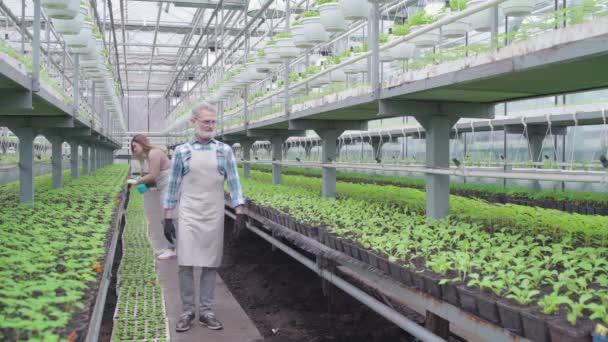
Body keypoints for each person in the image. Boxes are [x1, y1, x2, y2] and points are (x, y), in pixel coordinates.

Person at [162, 103, 247, 332]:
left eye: (213, 121)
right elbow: (172, 185)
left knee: (210, 263)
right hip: (188, 211)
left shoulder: (224, 150)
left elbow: (234, 181)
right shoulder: (182, 151)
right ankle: (188, 310)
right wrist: (167, 216)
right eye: (205, 121)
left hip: (213, 212)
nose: (210, 125)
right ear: (194, 122)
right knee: (186, 263)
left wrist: (240, 211)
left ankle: (207, 311)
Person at [128, 134, 176, 260]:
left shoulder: (153, 154)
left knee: (168, 217)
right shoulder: (151, 155)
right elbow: (155, 177)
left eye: (134, 146)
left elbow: (153, 175)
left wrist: (138, 181)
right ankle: (173, 247)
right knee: (167, 216)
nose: (134, 150)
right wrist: (146, 184)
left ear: (142, 144)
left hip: (169, 187)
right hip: (165, 187)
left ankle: (172, 249)